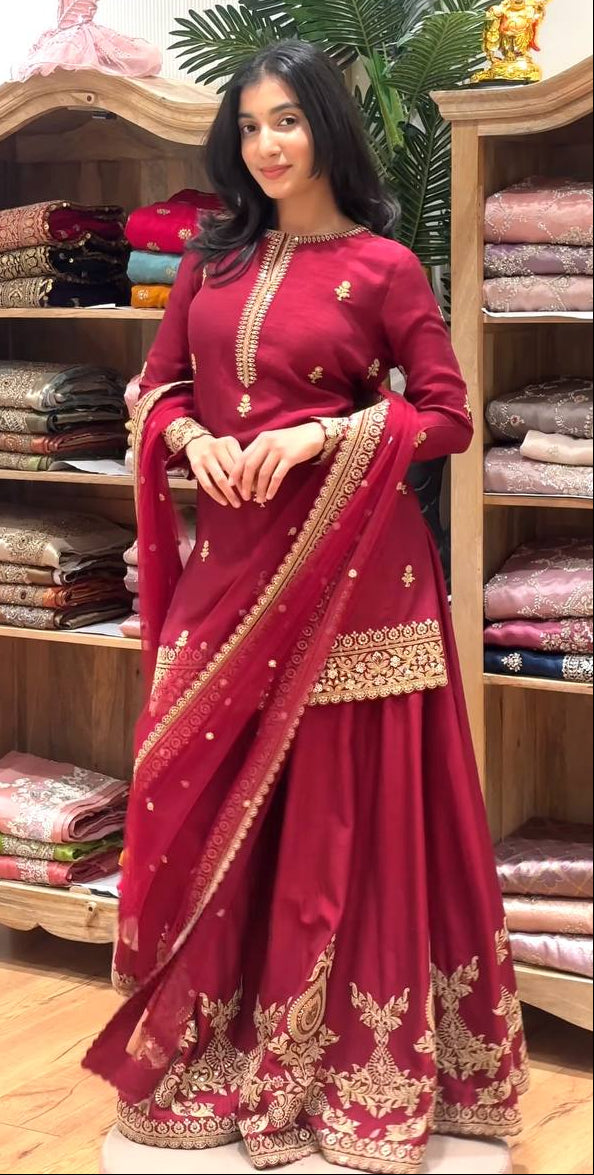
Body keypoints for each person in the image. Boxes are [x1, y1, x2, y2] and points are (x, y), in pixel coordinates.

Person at [84, 39, 527, 1175]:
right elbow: (160, 382)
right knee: (202, 792)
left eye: (286, 121)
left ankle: (350, 1073)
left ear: (327, 127)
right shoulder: (212, 258)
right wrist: (185, 436)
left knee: (341, 818)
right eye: (249, 127)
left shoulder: (383, 267)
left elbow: (445, 414)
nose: (267, 145)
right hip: (233, 566)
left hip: (356, 579)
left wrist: (323, 433)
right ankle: (222, 1046)